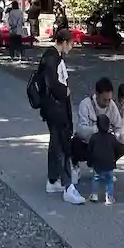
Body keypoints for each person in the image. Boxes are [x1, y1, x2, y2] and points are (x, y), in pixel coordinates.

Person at [37, 27, 84, 205]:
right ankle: (67, 186)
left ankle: (53, 180)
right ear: (64, 42)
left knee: (56, 143)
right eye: (70, 44)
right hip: (56, 107)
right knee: (63, 145)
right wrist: (65, 91)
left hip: (53, 107)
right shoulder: (52, 59)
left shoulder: (52, 56)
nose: (71, 47)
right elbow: (52, 84)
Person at [72, 77, 124, 170]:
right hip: (89, 144)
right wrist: (97, 130)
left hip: (105, 144)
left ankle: (107, 166)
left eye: (109, 99)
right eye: (105, 100)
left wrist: (117, 136)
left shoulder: (112, 105)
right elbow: (81, 130)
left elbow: (119, 126)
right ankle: (75, 165)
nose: (107, 103)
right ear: (97, 95)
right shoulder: (85, 104)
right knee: (74, 143)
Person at [87, 113, 119, 204]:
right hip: (109, 163)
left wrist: (90, 162)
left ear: (97, 126)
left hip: (97, 163)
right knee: (109, 180)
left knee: (96, 178)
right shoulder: (112, 138)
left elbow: (89, 150)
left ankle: (94, 195)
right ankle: (109, 197)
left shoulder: (94, 137)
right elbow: (117, 148)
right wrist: (114, 159)